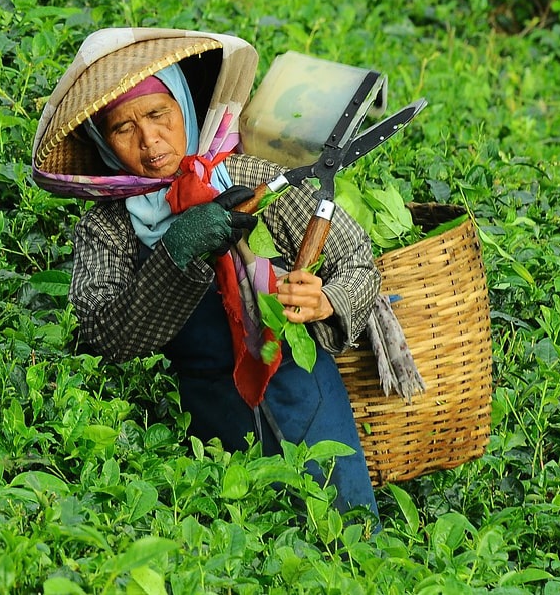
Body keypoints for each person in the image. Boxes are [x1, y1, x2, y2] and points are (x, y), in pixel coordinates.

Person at [31, 28, 380, 522]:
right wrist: (177, 250)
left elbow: (357, 259)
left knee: (350, 538)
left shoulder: (248, 176)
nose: (150, 141)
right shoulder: (108, 224)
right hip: (212, 422)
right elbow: (102, 332)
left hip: (309, 398)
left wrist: (329, 299)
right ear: (101, 142)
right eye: (122, 129)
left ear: (184, 107)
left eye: (158, 114)